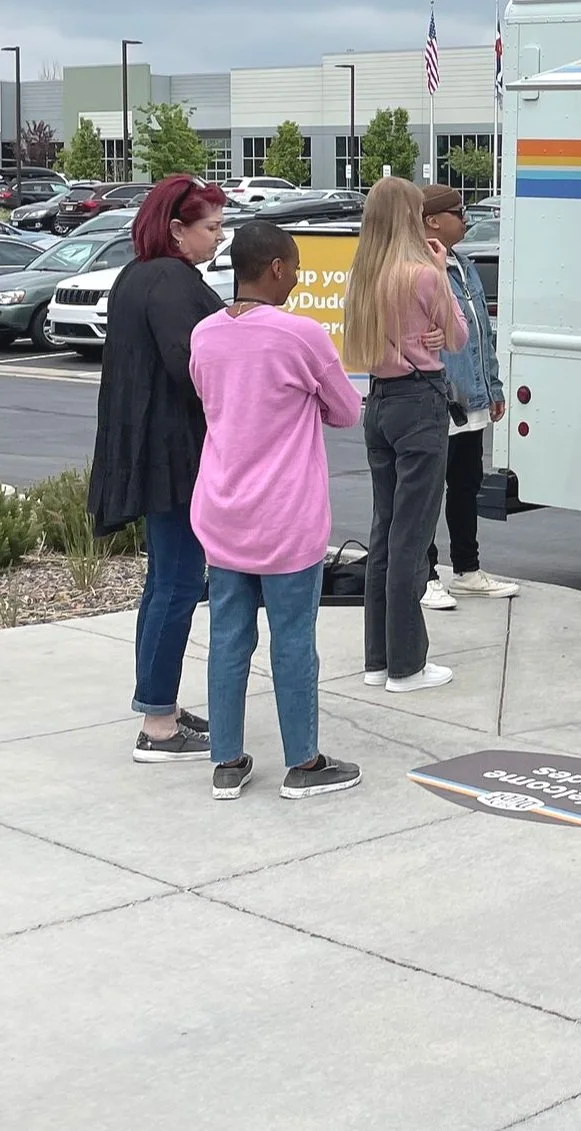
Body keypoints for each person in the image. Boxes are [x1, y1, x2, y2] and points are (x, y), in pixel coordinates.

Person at [190, 222, 365, 800]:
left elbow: (210, 398)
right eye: (295, 268)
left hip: (222, 511)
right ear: (276, 269)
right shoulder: (302, 335)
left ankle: (227, 761)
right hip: (286, 516)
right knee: (292, 640)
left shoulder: (205, 334)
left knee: (228, 638)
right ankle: (304, 763)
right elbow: (346, 410)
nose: (297, 278)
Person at [91, 175, 226, 762]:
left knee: (164, 582)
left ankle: (158, 701)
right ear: (176, 229)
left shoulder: (136, 274)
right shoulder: (172, 280)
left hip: (151, 450)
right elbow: (192, 366)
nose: (218, 238)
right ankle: (159, 726)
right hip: (174, 456)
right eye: (211, 227)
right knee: (177, 583)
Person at [345, 176, 467, 694]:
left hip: (379, 402)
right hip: (420, 402)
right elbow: (457, 336)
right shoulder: (422, 274)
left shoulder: (362, 275)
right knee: (411, 539)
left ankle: (378, 659)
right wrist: (440, 273)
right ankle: (407, 665)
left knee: (385, 531)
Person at [418, 185, 518, 610]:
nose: (466, 219)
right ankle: (424, 575)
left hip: (471, 400)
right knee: (426, 492)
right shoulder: (417, 269)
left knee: (465, 486)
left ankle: (467, 570)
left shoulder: (464, 265)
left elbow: (480, 333)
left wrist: (492, 387)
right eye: (458, 213)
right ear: (432, 221)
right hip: (437, 400)